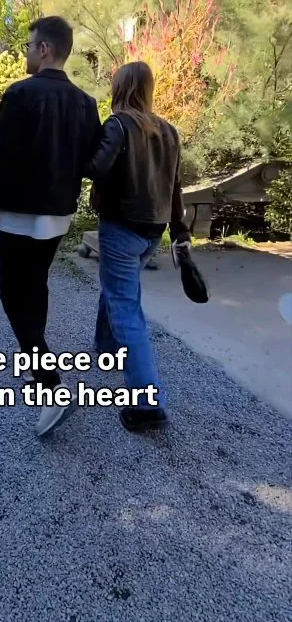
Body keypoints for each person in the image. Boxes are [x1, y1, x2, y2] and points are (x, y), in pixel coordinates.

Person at [0, 16, 101, 438]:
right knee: (36, 286)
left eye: (29, 46)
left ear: (44, 48)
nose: (27, 53)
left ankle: (51, 385)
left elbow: (1, 160)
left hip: (20, 213)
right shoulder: (86, 103)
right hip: (59, 214)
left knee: (13, 298)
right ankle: (37, 362)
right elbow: (91, 161)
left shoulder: (20, 94)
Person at [86, 61, 191, 434]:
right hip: (153, 231)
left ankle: (147, 404)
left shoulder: (118, 125)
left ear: (120, 88)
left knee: (126, 308)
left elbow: (93, 169)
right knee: (119, 290)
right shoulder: (169, 130)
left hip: (121, 227)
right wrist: (180, 234)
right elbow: (175, 189)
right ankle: (107, 349)